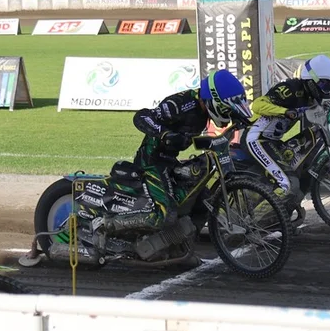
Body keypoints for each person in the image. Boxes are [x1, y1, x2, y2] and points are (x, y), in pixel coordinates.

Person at [93, 68, 252, 235]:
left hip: (171, 161)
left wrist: (240, 120)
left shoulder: (204, 107)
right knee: (164, 215)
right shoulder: (180, 105)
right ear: (214, 101)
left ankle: (182, 247)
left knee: (205, 202)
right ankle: (104, 224)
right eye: (225, 109)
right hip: (152, 162)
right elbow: (142, 117)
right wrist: (165, 134)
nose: (226, 114)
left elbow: (204, 130)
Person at [245, 55, 330, 201]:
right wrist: (284, 111)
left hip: (273, 142)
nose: (327, 91)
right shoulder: (289, 89)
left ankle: (281, 214)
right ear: (313, 81)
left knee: (299, 176)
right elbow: (257, 105)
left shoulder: (310, 97)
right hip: (256, 138)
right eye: (326, 86)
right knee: (287, 184)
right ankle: (259, 219)